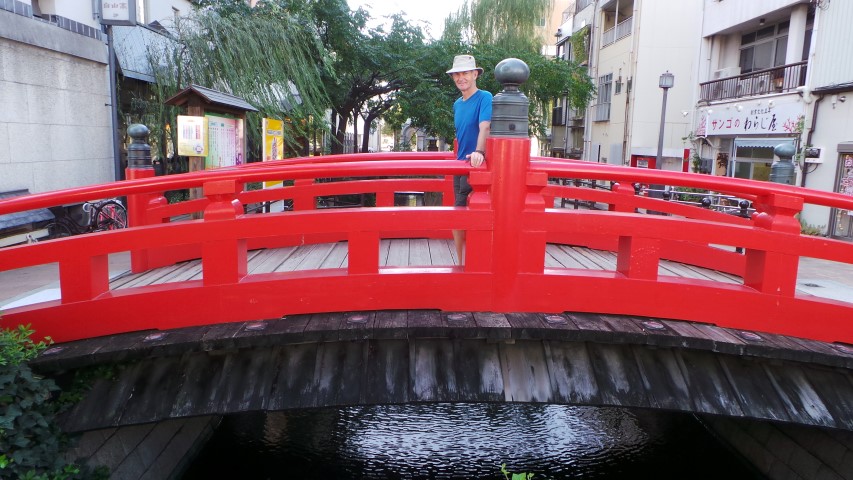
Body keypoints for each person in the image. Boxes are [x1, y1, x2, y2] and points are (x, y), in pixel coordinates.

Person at [447, 54, 492, 264]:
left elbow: (485, 126)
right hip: (459, 165)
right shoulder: (457, 103)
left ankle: (473, 263)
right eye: (457, 74)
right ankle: (461, 261)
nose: (460, 78)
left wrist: (479, 152)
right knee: (458, 215)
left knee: (467, 215)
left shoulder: (485, 97)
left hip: (477, 165)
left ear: (475, 74)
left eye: (465, 73)